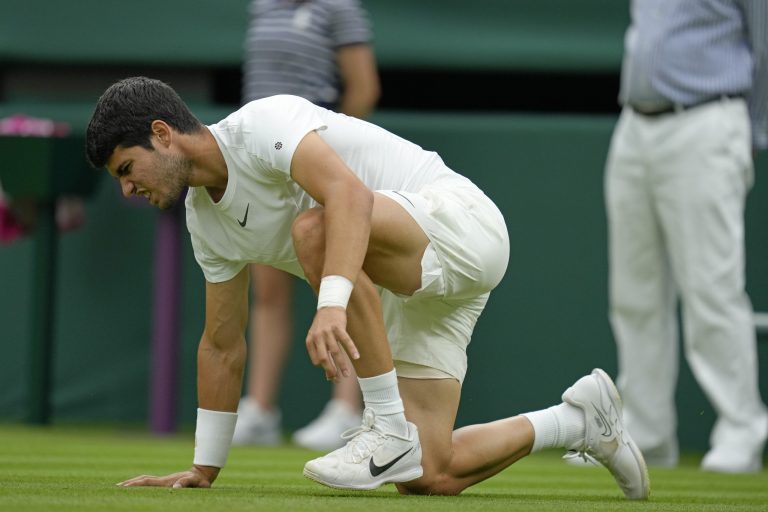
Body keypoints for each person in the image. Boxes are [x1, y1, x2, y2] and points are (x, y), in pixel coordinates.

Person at [85, 77, 649, 499]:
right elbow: (222, 344)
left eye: (127, 169)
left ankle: (385, 426)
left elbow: (350, 198)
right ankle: (579, 421)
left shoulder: (263, 124)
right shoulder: (204, 224)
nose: (129, 189)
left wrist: (330, 305)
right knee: (430, 473)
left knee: (315, 224)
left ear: (163, 135)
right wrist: (204, 469)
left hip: (460, 224)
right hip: (412, 286)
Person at [605, 0, 768, 473]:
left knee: (712, 290)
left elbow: (764, 44)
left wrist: (750, 132)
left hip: (708, 121)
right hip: (635, 123)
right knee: (634, 294)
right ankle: (645, 431)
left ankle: (743, 429)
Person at [233, 0, 381, 450]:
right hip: (262, 165)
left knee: (341, 282)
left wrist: (331, 154)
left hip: (316, 158)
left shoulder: (338, 8)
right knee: (268, 293)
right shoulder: (261, 6)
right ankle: (259, 409)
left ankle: (346, 408)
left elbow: (363, 88)